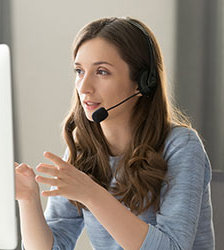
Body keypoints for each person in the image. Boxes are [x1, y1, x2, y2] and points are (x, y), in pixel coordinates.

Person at [14, 17, 215, 250]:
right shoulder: (82, 152)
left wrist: (92, 194)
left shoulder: (181, 146)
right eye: (79, 71)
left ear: (142, 82)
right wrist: (28, 199)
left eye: (101, 72)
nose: (84, 87)